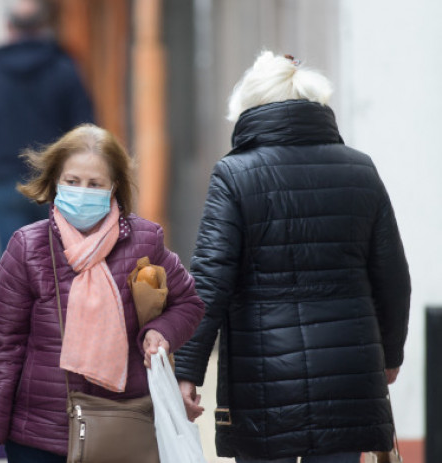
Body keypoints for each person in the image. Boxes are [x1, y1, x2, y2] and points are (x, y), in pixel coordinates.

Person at [174, 51, 411, 463]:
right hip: (349, 374)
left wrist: (187, 372)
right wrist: (389, 357)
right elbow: (392, 278)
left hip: (265, 381)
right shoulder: (361, 170)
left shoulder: (234, 174)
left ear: (250, 109)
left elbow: (210, 282)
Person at [0, 124, 205, 463]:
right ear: (56, 182)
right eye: (72, 182)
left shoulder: (144, 241)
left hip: (123, 429)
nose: (82, 192)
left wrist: (160, 331)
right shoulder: (27, 247)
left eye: (94, 184)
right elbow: (3, 347)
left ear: (113, 188)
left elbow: (188, 302)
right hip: (40, 436)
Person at [0, 0, 95, 259]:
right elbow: (88, 131)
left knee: (14, 266)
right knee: (58, 265)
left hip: (6, 184)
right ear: (43, 26)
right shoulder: (65, 69)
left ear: (8, 26)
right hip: (55, 184)